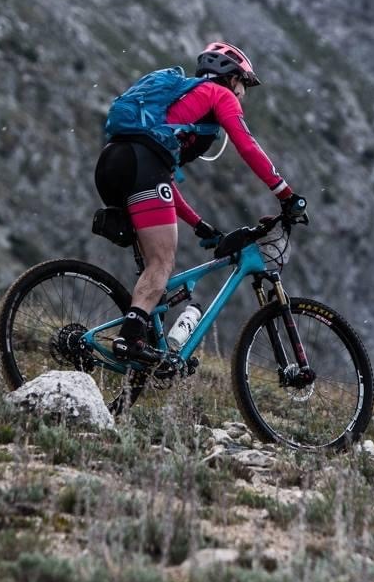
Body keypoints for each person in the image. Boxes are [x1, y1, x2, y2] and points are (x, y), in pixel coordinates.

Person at [94, 42, 307, 364]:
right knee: (161, 262)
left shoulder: (179, 107)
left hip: (113, 162)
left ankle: (144, 348)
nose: (244, 94)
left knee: (153, 269)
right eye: (244, 84)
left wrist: (199, 225)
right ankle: (129, 340)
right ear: (231, 77)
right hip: (141, 166)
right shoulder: (218, 94)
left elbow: (161, 180)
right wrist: (286, 194)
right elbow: (247, 146)